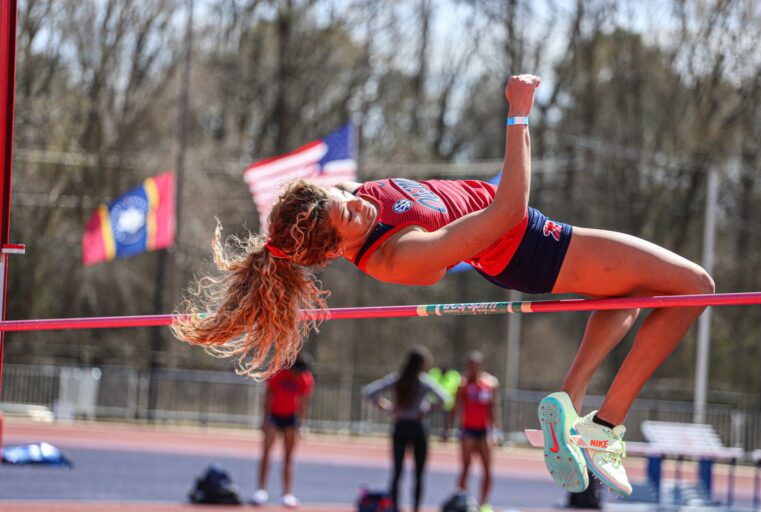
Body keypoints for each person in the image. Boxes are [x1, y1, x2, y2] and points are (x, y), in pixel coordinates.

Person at [172, 74, 715, 497]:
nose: (358, 201)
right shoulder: (395, 257)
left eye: (344, 197)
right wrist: (518, 116)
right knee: (695, 285)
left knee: (634, 294)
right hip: (528, 246)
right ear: (337, 250)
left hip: (524, 236)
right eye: (351, 217)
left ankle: (572, 405)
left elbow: (333, 208)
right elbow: (508, 212)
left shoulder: (341, 201)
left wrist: (322, 209)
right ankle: (606, 427)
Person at [362, 346, 448, 512]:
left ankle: (395, 507)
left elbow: (369, 392)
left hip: (401, 425)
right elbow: (444, 398)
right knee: (419, 472)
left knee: (397, 471)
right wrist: (426, 409)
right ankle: (416, 508)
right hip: (417, 426)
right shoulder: (423, 381)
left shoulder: (397, 379)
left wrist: (388, 407)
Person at [251, 353, 315, 508]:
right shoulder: (278, 374)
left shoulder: (306, 379)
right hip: (274, 415)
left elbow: (305, 402)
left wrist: (303, 424)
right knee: (266, 454)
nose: (299, 375)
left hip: (291, 418)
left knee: (288, 457)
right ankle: (261, 490)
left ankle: (287, 493)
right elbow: (268, 395)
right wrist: (265, 419)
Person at [448, 352, 499, 512]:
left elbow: (494, 407)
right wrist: (448, 428)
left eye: (475, 365)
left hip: (483, 430)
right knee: (465, 467)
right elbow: (456, 407)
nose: (473, 368)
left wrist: (496, 431)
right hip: (468, 430)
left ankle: (484, 503)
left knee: (488, 468)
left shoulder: (490, 383)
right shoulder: (462, 384)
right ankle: (462, 501)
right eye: (470, 365)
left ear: (480, 365)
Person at [427, 363, 461, 436]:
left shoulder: (453, 375)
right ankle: (429, 432)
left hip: (448, 402)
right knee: (430, 417)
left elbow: (456, 387)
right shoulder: (434, 373)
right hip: (434, 402)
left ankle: (446, 434)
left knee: (447, 419)